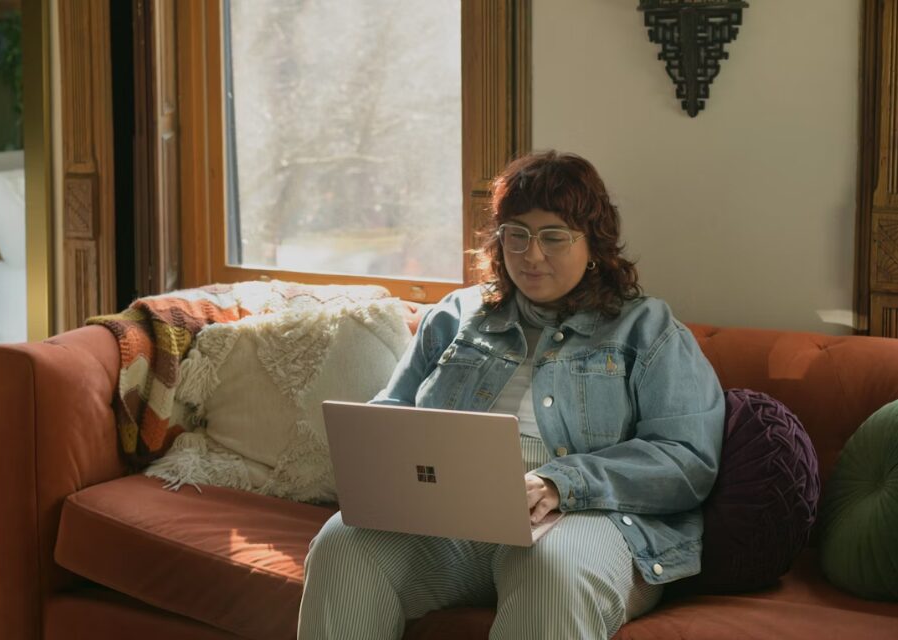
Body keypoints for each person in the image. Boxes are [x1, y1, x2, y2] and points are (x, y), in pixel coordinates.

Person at [297, 150, 725, 639]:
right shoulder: (456, 316)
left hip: (590, 518)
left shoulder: (647, 329)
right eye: (516, 234)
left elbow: (686, 460)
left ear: (593, 244)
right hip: (454, 519)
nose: (531, 254)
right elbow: (391, 415)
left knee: (551, 570)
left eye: (553, 237)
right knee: (343, 544)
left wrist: (560, 483)